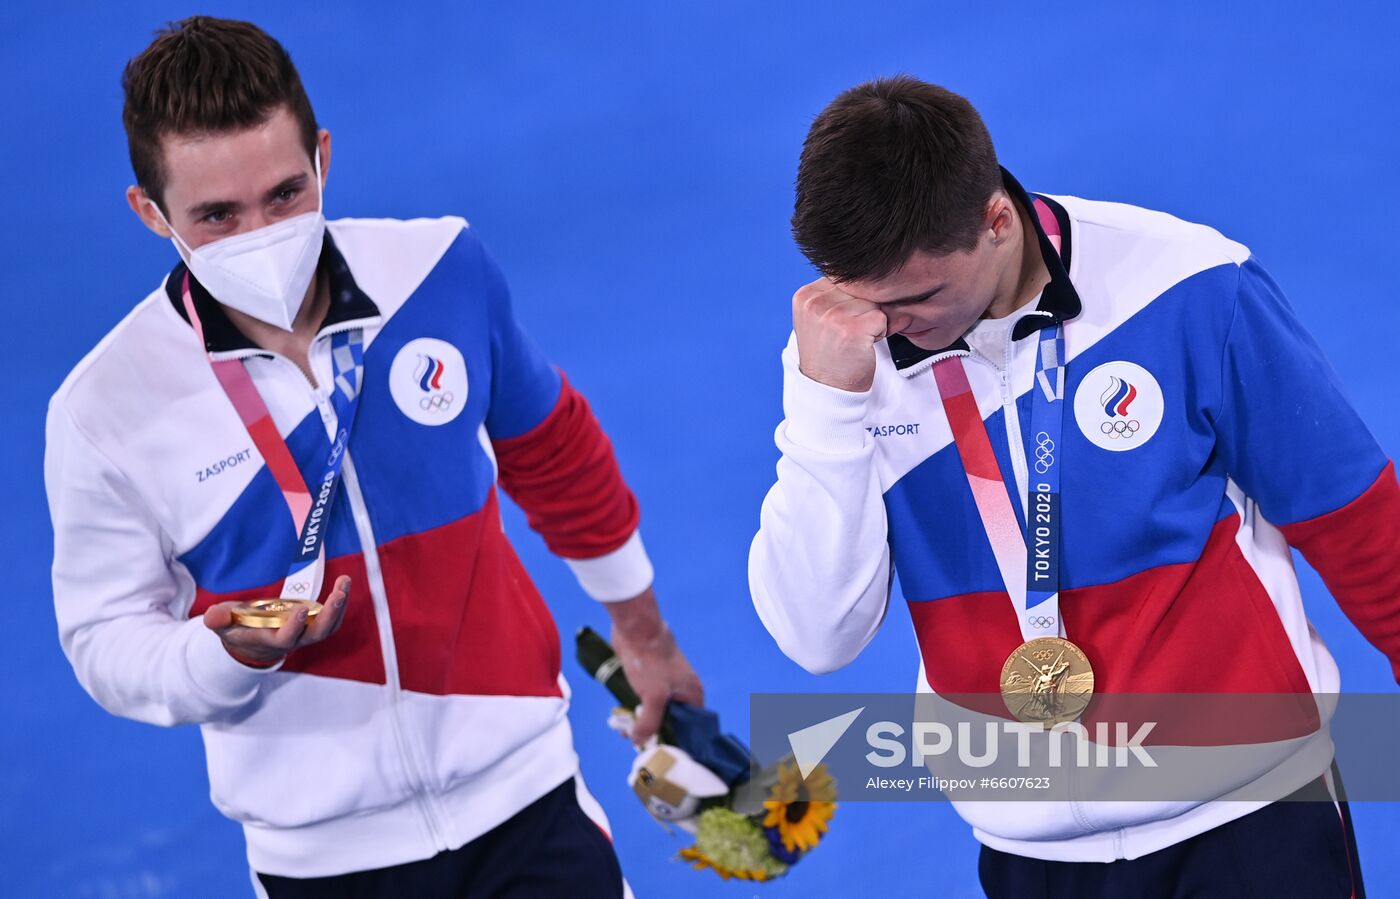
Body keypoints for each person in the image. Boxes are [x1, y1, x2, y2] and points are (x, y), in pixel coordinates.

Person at [45, 16, 702, 897]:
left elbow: (553, 448)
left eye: (284, 195)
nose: (260, 235)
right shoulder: (106, 408)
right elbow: (103, 635)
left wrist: (643, 628)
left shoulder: (438, 271)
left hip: (528, 800)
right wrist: (222, 655)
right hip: (323, 862)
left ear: (322, 156)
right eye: (216, 216)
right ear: (150, 211)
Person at [749, 76, 1396, 897]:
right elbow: (817, 637)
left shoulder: (1188, 283)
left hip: (1252, 815)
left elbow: (1357, 518)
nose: (887, 329)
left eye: (916, 299)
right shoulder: (845, 357)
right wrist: (824, 405)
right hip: (1034, 857)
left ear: (995, 220)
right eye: (859, 297)